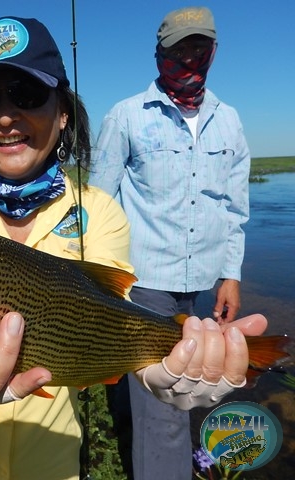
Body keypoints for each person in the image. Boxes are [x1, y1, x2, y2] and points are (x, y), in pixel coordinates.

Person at [0, 15, 259, 480]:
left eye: (27, 94)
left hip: (48, 462)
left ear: (62, 111)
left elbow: (113, 324)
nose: (4, 115)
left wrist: (165, 372)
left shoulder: (98, 213)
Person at [89, 6, 251, 480]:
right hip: (142, 280)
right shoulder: (126, 116)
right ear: (160, 54)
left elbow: (235, 210)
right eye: (179, 49)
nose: (189, 57)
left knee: (178, 382)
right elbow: (99, 202)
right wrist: (100, 282)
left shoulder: (230, 122)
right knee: (167, 405)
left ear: (214, 51)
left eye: (199, 47)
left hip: (199, 282)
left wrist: (231, 275)